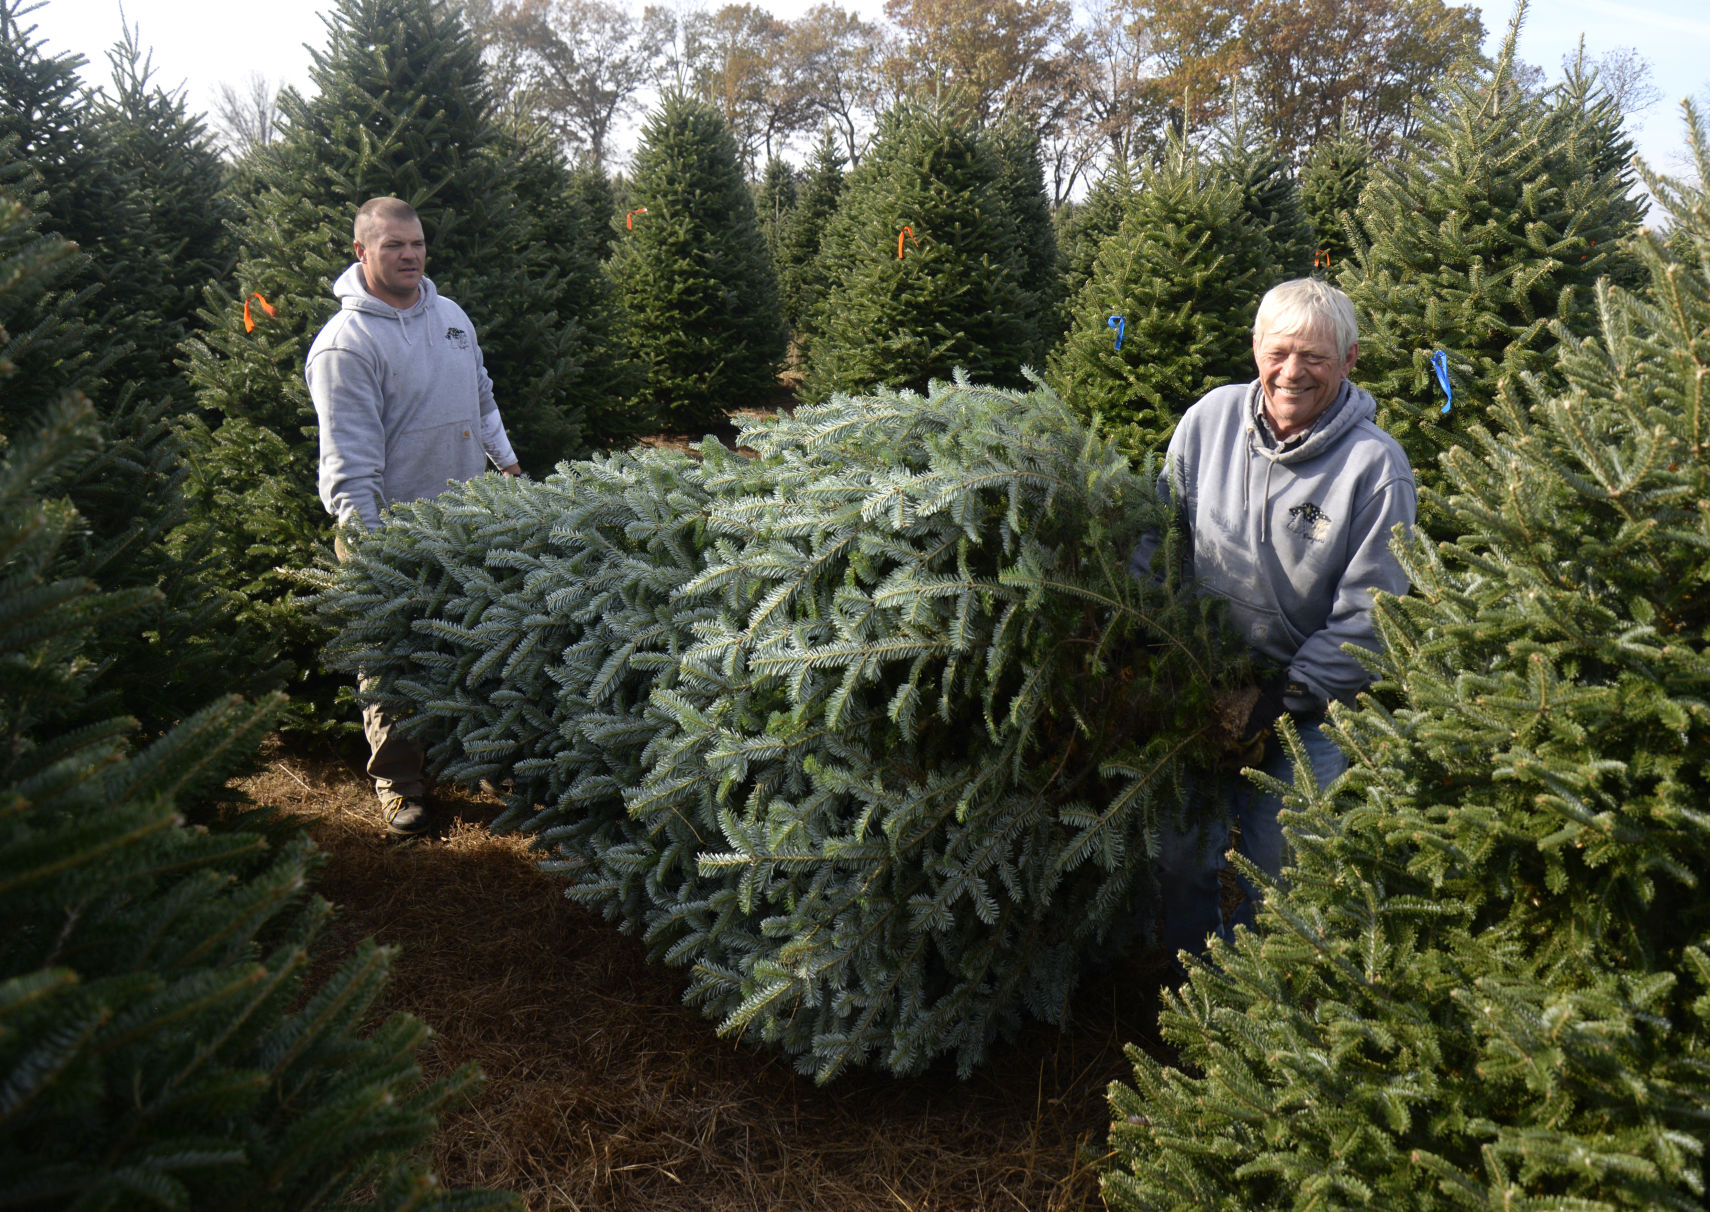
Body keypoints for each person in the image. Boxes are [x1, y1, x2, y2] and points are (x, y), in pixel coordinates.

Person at [1133, 277, 1416, 961]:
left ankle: (1256, 1024)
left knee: (1278, 877)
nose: (1293, 372)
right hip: (1202, 691)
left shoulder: (1376, 469)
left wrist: (1280, 698)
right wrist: (1158, 649)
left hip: (1308, 708)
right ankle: (1186, 1001)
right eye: (1280, 350)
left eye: (1316, 357)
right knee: (1182, 860)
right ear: (1256, 349)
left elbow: (1371, 611)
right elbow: (1157, 536)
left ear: (1349, 362)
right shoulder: (1208, 421)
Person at [308, 196, 522, 838]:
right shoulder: (346, 345)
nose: (409, 255)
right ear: (362, 252)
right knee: (390, 660)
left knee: (480, 640)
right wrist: (373, 549)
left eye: (418, 244)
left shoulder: (451, 316)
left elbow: (481, 398)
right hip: (388, 531)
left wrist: (508, 470)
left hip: (466, 516)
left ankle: (480, 757)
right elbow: (348, 464)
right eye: (394, 245)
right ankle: (400, 785)